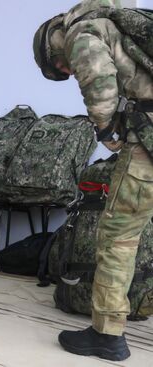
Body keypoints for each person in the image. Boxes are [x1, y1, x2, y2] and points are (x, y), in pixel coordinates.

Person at [33, 0, 153, 361]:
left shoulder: (81, 31)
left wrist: (107, 131)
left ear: (51, 44)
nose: (67, 69)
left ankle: (107, 334)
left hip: (147, 142)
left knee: (119, 236)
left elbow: (98, 81)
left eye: (60, 67)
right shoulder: (117, 25)